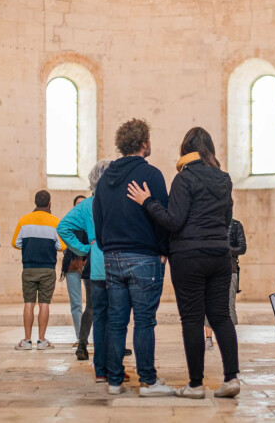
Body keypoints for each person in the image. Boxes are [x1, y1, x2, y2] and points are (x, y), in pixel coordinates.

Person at [127, 126, 240, 399]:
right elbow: (226, 220)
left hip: (189, 255)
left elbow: (173, 221)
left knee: (191, 319)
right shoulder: (224, 178)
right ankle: (231, 379)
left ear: (185, 150)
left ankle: (196, 385)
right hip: (220, 254)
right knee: (221, 316)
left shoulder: (184, 178)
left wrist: (148, 202)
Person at [93, 118, 175, 397]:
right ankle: (148, 382)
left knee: (116, 321)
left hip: (112, 257)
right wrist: (163, 251)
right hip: (144, 256)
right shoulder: (151, 174)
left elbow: (98, 218)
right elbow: (162, 217)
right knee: (144, 321)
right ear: (143, 143)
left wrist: (107, 247)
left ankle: (114, 381)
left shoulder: (105, 179)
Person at [59, 160, 134, 381]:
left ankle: (100, 370)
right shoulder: (120, 201)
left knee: (99, 318)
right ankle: (115, 369)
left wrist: (84, 249)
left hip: (97, 268)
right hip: (118, 265)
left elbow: (62, 227)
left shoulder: (86, 205)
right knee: (117, 319)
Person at [11, 190, 64, 351]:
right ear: (49, 203)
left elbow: (15, 243)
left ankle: (27, 340)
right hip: (47, 268)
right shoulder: (55, 222)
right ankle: (41, 340)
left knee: (28, 303)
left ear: (35, 203)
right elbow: (61, 246)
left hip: (29, 268)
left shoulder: (24, 220)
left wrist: (29, 247)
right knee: (44, 304)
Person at [205, 218, 246, 350]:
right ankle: (208, 339)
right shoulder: (208, 223)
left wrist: (226, 248)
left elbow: (242, 248)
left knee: (229, 305)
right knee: (208, 304)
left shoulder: (235, 225)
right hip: (210, 268)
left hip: (230, 269)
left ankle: (228, 340)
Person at [61, 194, 93, 356]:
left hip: (90, 263)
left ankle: (83, 340)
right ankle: (80, 338)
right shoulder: (73, 221)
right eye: (78, 204)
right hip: (74, 264)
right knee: (78, 304)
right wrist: (84, 250)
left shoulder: (90, 218)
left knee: (92, 304)